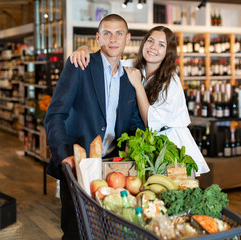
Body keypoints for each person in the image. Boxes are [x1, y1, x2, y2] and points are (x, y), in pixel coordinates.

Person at [44, 14, 145, 240]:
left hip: (114, 168)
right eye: (107, 33)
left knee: (109, 232)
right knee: (77, 230)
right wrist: (63, 157)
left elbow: (135, 125)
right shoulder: (80, 65)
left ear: (127, 38)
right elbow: (54, 115)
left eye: (119, 33)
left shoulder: (130, 78)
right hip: (79, 163)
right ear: (98, 37)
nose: (113, 39)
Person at [70, 26, 210, 176]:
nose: (153, 47)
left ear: (168, 52)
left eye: (161, 44)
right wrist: (83, 49)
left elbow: (151, 123)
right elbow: (105, 60)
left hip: (171, 147)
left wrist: (137, 84)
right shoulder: (133, 66)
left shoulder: (171, 82)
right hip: (148, 145)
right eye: (150, 41)